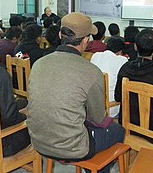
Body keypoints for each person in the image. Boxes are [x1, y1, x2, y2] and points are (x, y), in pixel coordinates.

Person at [27, 12, 125, 173]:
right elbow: (98, 118)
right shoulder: (91, 71)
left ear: (60, 34)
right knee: (117, 130)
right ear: (86, 40)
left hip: (38, 141)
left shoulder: (39, 64)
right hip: (73, 147)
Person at [90, 37, 128, 117]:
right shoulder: (122, 60)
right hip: (111, 107)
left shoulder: (95, 56)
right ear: (120, 51)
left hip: (92, 106)